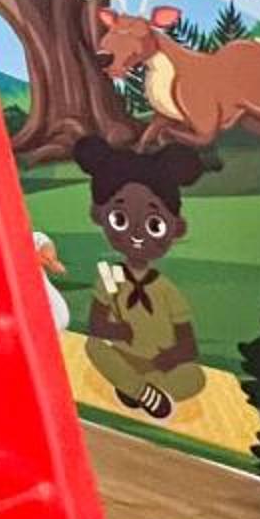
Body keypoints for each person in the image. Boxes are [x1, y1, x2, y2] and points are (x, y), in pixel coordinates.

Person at [71, 133, 216, 420]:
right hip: (124, 356)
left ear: (176, 228)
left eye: (153, 225)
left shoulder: (165, 289)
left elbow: (187, 344)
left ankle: (138, 388)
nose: (137, 235)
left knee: (194, 377)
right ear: (100, 215)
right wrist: (117, 331)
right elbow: (97, 327)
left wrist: (168, 358)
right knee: (95, 347)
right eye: (120, 220)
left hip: (160, 365)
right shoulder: (111, 277)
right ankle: (141, 389)